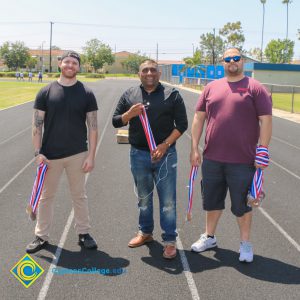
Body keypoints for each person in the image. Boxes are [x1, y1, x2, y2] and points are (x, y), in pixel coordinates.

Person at [190, 47, 272, 263]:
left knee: (242, 206)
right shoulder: (211, 87)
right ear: (222, 63)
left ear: (242, 61)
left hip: (243, 161)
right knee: (212, 202)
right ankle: (209, 237)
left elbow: (266, 120)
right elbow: (199, 118)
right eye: (228, 59)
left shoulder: (256, 88)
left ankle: (245, 244)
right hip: (212, 159)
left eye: (236, 58)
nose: (232, 61)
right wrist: (194, 148)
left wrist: (262, 150)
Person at [112, 59, 188, 259]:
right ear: (139, 74)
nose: (149, 73)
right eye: (145, 70)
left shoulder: (172, 94)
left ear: (159, 74)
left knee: (168, 200)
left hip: (165, 155)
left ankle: (170, 240)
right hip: (139, 155)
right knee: (143, 198)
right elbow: (115, 120)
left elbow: (182, 124)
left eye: (153, 70)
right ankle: (145, 232)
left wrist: (165, 145)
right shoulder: (130, 94)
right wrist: (129, 114)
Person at [26, 51, 99, 253]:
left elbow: (93, 127)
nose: (70, 65)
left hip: (77, 154)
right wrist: (37, 152)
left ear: (78, 67)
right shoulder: (46, 91)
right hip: (50, 156)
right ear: (60, 64)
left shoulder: (86, 93)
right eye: (67, 61)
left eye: (74, 63)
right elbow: (36, 125)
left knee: (79, 195)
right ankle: (41, 236)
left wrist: (91, 155)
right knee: (46, 197)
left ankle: (84, 233)